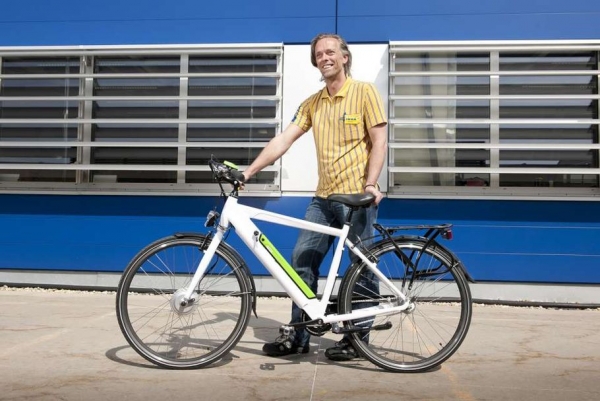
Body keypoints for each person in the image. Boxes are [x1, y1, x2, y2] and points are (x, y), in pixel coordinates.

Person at [241, 33, 387, 361]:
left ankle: (358, 340)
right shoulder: (313, 103)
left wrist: (371, 184)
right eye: (319, 54)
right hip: (322, 198)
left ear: (344, 57)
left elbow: (379, 141)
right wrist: (248, 172)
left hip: (356, 197)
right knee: (301, 261)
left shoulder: (364, 92)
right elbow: (284, 139)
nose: (325, 58)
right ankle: (299, 335)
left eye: (330, 52)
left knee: (361, 267)